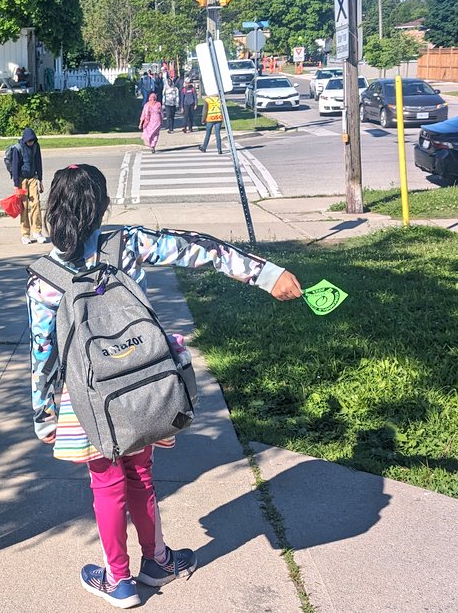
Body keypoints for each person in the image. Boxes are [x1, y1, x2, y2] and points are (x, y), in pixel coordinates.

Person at [26, 164, 302, 609]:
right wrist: (266, 274)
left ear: (52, 208)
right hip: (143, 383)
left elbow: (44, 352)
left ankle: (118, 580)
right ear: (103, 207)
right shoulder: (129, 243)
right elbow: (199, 248)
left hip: (87, 399)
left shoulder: (43, 277)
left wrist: (45, 414)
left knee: (106, 482)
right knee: (141, 473)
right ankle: (157, 561)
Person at [8, 127, 49, 245]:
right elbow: (15, 167)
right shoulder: (18, 148)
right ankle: (25, 234)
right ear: (25, 140)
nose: (31, 143)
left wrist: (40, 179)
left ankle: (37, 231)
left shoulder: (36, 146)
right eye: (29, 141)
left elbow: (38, 162)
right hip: (21, 180)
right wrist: (16, 185)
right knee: (24, 207)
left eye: (32, 141)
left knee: (36, 204)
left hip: (33, 178)